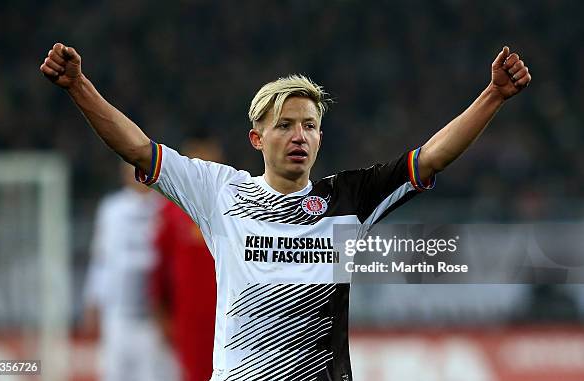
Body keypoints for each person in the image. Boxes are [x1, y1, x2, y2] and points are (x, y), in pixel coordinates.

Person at [42, 42, 531, 380]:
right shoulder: (219, 192)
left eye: (310, 125)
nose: (299, 135)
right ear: (257, 138)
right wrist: (78, 86)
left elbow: (431, 157)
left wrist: (493, 95)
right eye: (285, 125)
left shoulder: (349, 197)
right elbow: (138, 149)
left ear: (321, 137)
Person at [82, 162, 177, 381]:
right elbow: (100, 258)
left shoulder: (166, 207)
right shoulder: (111, 209)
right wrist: (92, 299)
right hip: (117, 314)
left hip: (154, 318)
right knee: (115, 373)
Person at [151, 136, 223, 381]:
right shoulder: (170, 211)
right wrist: (162, 315)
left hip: (229, 313)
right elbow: (159, 269)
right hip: (189, 318)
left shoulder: (234, 205)